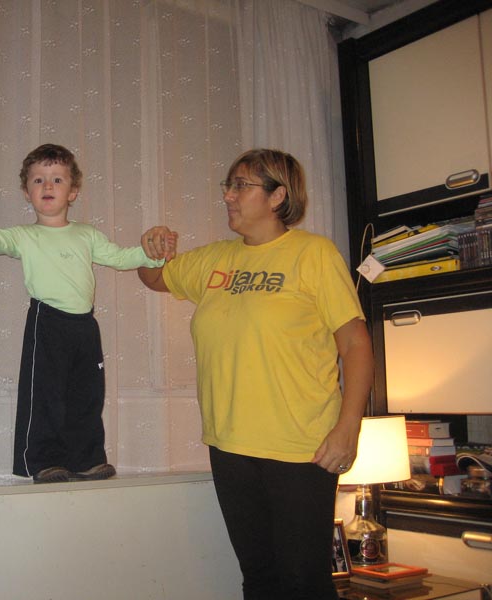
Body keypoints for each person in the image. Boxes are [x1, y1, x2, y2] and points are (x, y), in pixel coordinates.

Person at [138, 149, 373, 600]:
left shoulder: (313, 254)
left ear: (277, 195)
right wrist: (150, 250)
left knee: (303, 583)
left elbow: (356, 344)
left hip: (301, 447)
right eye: (228, 186)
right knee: (260, 581)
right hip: (230, 445)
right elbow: (154, 278)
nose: (228, 195)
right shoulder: (215, 259)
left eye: (240, 186)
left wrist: (348, 428)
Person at [0, 143, 176, 483]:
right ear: (26, 192)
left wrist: (153, 255)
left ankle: (86, 459)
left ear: (73, 192)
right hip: (48, 321)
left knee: (88, 395)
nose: (48, 186)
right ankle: (44, 461)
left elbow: (120, 257)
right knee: (46, 395)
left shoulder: (87, 234)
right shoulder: (25, 235)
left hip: (84, 326)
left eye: (57, 179)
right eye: (38, 180)